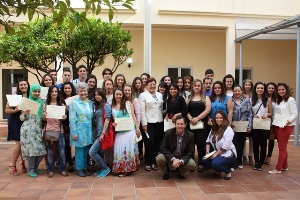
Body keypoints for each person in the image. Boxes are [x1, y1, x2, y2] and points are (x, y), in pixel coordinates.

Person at [268, 83, 298, 174]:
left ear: (286, 90)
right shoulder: (279, 100)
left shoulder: (290, 100)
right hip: (277, 125)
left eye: (283, 89)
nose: (281, 91)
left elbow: (295, 114)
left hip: (286, 126)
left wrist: (288, 121)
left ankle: (278, 168)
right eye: (279, 90)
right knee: (282, 146)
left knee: (282, 147)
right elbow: (278, 113)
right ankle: (285, 166)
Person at [156, 115, 196, 180]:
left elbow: (191, 152)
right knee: (159, 158)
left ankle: (180, 172)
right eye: (178, 124)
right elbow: (163, 148)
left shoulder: (190, 135)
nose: (179, 126)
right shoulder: (168, 133)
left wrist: (181, 161)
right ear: (175, 125)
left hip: (181, 157)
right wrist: (173, 159)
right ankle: (166, 171)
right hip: (170, 156)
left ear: (185, 125)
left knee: (192, 164)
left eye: (181, 124)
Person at [111, 89, 140, 177]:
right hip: (119, 132)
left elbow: (133, 116)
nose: (118, 96)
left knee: (128, 150)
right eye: (117, 94)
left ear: (123, 95)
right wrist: (113, 124)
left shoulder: (128, 103)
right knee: (119, 150)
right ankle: (119, 168)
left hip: (130, 131)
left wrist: (137, 128)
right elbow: (112, 120)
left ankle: (127, 169)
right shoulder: (112, 106)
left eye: (120, 94)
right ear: (114, 95)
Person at [20, 84, 47, 178]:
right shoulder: (26, 102)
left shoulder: (41, 103)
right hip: (27, 130)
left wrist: (44, 116)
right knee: (32, 151)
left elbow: (42, 118)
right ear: (31, 91)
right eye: (35, 91)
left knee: (42, 151)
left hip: (38, 129)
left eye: (38, 91)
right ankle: (30, 169)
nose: (36, 93)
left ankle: (35, 167)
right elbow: (21, 118)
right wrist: (25, 114)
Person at [202, 111, 236, 180]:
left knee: (215, 163)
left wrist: (215, 155)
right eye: (217, 118)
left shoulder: (228, 130)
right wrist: (207, 151)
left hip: (228, 153)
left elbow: (226, 146)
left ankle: (228, 171)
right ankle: (218, 169)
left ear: (224, 118)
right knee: (204, 160)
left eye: (221, 118)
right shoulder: (214, 128)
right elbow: (208, 141)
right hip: (217, 152)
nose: (219, 120)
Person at [43, 85, 68, 178]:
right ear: (49, 93)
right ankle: (51, 170)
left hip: (59, 131)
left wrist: (64, 117)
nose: (54, 93)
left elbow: (63, 118)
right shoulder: (45, 105)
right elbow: (44, 119)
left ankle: (62, 169)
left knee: (61, 152)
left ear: (58, 93)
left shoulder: (61, 105)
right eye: (52, 91)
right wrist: (44, 115)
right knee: (49, 153)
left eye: (56, 92)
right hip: (49, 130)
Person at [186, 79, 211, 173]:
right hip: (190, 124)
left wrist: (197, 118)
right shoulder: (188, 98)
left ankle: (201, 163)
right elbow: (185, 110)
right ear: (192, 87)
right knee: (190, 144)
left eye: (198, 86)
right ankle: (191, 164)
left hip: (202, 125)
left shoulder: (205, 98)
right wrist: (190, 118)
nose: (197, 87)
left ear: (201, 87)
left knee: (201, 144)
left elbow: (207, 110)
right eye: (195, 85)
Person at [69, 82, 93, 177]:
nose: (83, 93)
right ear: (78, 92)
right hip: (79, 131)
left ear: (87, 92)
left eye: (84, 91)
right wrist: (74, 133)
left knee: (87, 151)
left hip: (88, 131)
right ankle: (79, 168)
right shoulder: (74, 104)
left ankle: (85, 167)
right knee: (79, 151)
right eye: (81, 91)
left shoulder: (90, 103)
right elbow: (72, 119)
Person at [6, 79, 30, 175]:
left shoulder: (29, 97)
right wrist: (16, 110)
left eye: (25, 84)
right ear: (18, 86)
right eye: (21, 85)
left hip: (24, 121)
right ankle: (12, 165)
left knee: (23, 143)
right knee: (19, 143)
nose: (23, 86)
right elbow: (7, 110)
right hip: (15, 120)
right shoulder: (15, 97)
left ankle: (23, 164)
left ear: (28, 85)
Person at [139, 77, 164, 171]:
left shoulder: (159, 95)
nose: (152, 86)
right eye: (150, 85)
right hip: (148, 122)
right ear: (146, 86)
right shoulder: (143, 95)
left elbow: (161, 108)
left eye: (154, 84)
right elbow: (142, 111)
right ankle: (148, 162)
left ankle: (154, 162)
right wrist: (144, 124)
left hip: (159, 122)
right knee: (150, 142)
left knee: (157, 142)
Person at [89, 88, 111, 178]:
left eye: (99, 95)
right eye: (96, 95)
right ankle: (103, 168)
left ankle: (105, 168)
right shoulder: (97, 105)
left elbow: (107, 119)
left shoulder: (106, 105)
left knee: (92, 152)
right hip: (97, 132)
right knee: (98, 152)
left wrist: (103, 133)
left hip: (102, 133)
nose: (97, 96)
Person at [251, 81, 272, 171]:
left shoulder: (268, 100)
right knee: (255, 143)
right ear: (255, 89)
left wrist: (267, 114)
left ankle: (261, 162)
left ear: (264, 89)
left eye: (262, 88)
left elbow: (271, 113)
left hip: (264, 124)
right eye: (258, 88)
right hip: (255, 124)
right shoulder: (251, 100)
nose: (260, 90)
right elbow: (249, 112)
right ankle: (256, 162)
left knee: (263, 144)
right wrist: (253, 115)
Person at [231, 85, 252, 169]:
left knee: (241, 144)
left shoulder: (246, 102)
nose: (237, 92)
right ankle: (233, 162)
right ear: (233, 92)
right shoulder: (230, 100)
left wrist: (249, 125)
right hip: (233, 126)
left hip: (243, 126)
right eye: (235, 91)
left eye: (238, 91)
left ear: (241, 91)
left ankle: (239, 162)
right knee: (234, 144)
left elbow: (249, 114)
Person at [60, 82, 77, 172]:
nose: (67, 90)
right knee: (67, 146)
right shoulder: (61, 100)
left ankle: (78, 163)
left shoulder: (76, 99)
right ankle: (69, 163)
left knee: (77, 145)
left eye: (69, 88)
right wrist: (65, 110)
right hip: (65, 125)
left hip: (76, 125)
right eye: (65, 88)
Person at [242, 79, 254, 165]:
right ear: (244, 85)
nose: (248, 86)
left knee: (251, 139)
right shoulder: (241, 94)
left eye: (249, 85)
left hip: (253, 119)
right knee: (243, 138)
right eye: (246, 85)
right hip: (243, 119)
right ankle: (244, 155)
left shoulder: (254, 95)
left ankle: (250, 155)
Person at [265, 82, 277, 165]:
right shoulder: (264, 98)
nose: (271, 89)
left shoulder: (277, 99)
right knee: (263, 140)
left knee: (271, 139)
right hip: (265, 121)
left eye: (272, 88)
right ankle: (262, 155)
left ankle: (269, 156)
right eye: (269, 88)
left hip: (274, 122)